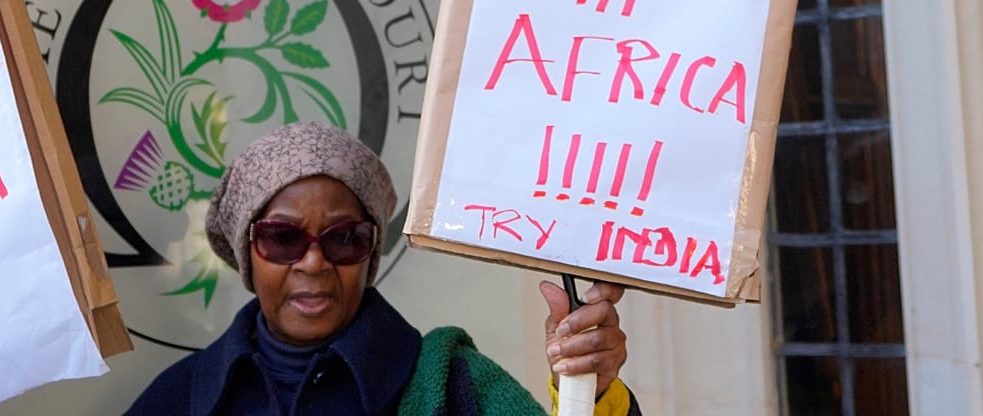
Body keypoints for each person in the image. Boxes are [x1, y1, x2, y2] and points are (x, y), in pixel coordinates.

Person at [126, 120, 641, 415]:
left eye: (343, 238)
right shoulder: (180, 398)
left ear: (371, 251)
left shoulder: (452, 386)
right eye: (283, 238)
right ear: (247, 251)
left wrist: (588, 390)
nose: (314, 262)